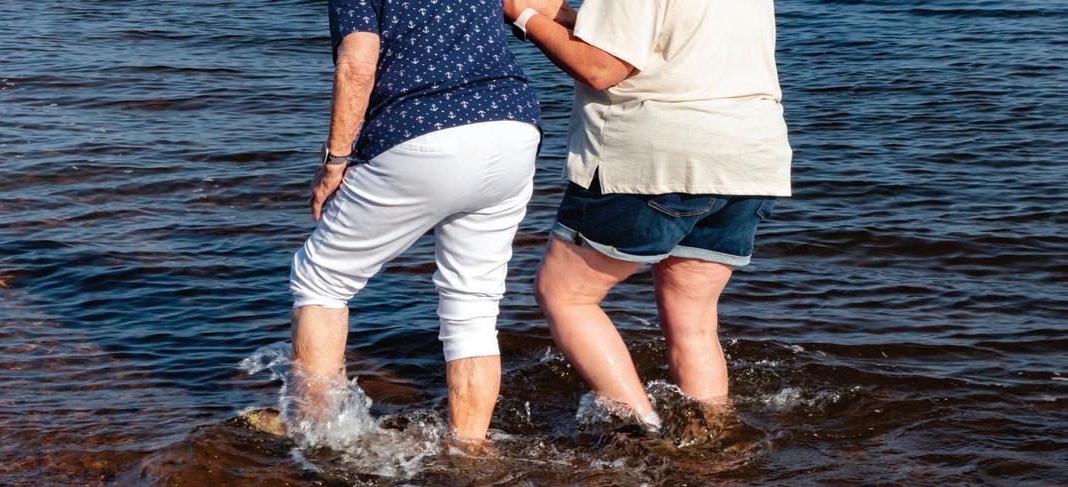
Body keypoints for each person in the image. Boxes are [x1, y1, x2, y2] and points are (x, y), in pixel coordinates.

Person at [504, 0, 792, 429]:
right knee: (694, 323)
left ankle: (643, 429)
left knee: (564, 295)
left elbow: (601, 68)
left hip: (661, 155)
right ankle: (711, 439)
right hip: (750, 157)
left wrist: (522, 16)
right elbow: (660, 41)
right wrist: (564, 18)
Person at [288, 0, 542, 441]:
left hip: (421, 129)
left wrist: (335, 161)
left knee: (322, 279)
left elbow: (358, 65)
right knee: (473, 307)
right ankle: (469, 450)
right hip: (513, 129)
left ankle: (316, 433)